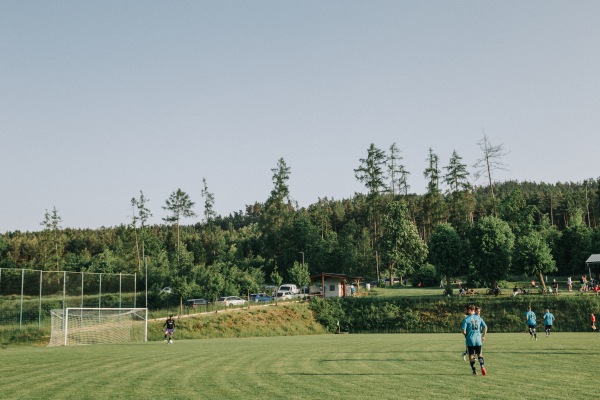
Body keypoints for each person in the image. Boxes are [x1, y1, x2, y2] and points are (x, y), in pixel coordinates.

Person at [461, 305, 487, 376]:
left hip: (470, 340)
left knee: (471, 356)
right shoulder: (478, 318)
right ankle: (482, 366)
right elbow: (485, 327)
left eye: (467, 310)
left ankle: (474, 371)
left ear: (470, 310)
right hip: (478, 339)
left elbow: (463, 330)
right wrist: (483, 336)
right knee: (480, 354)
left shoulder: (466, 319)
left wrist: (466, 336)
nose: (466, 311)